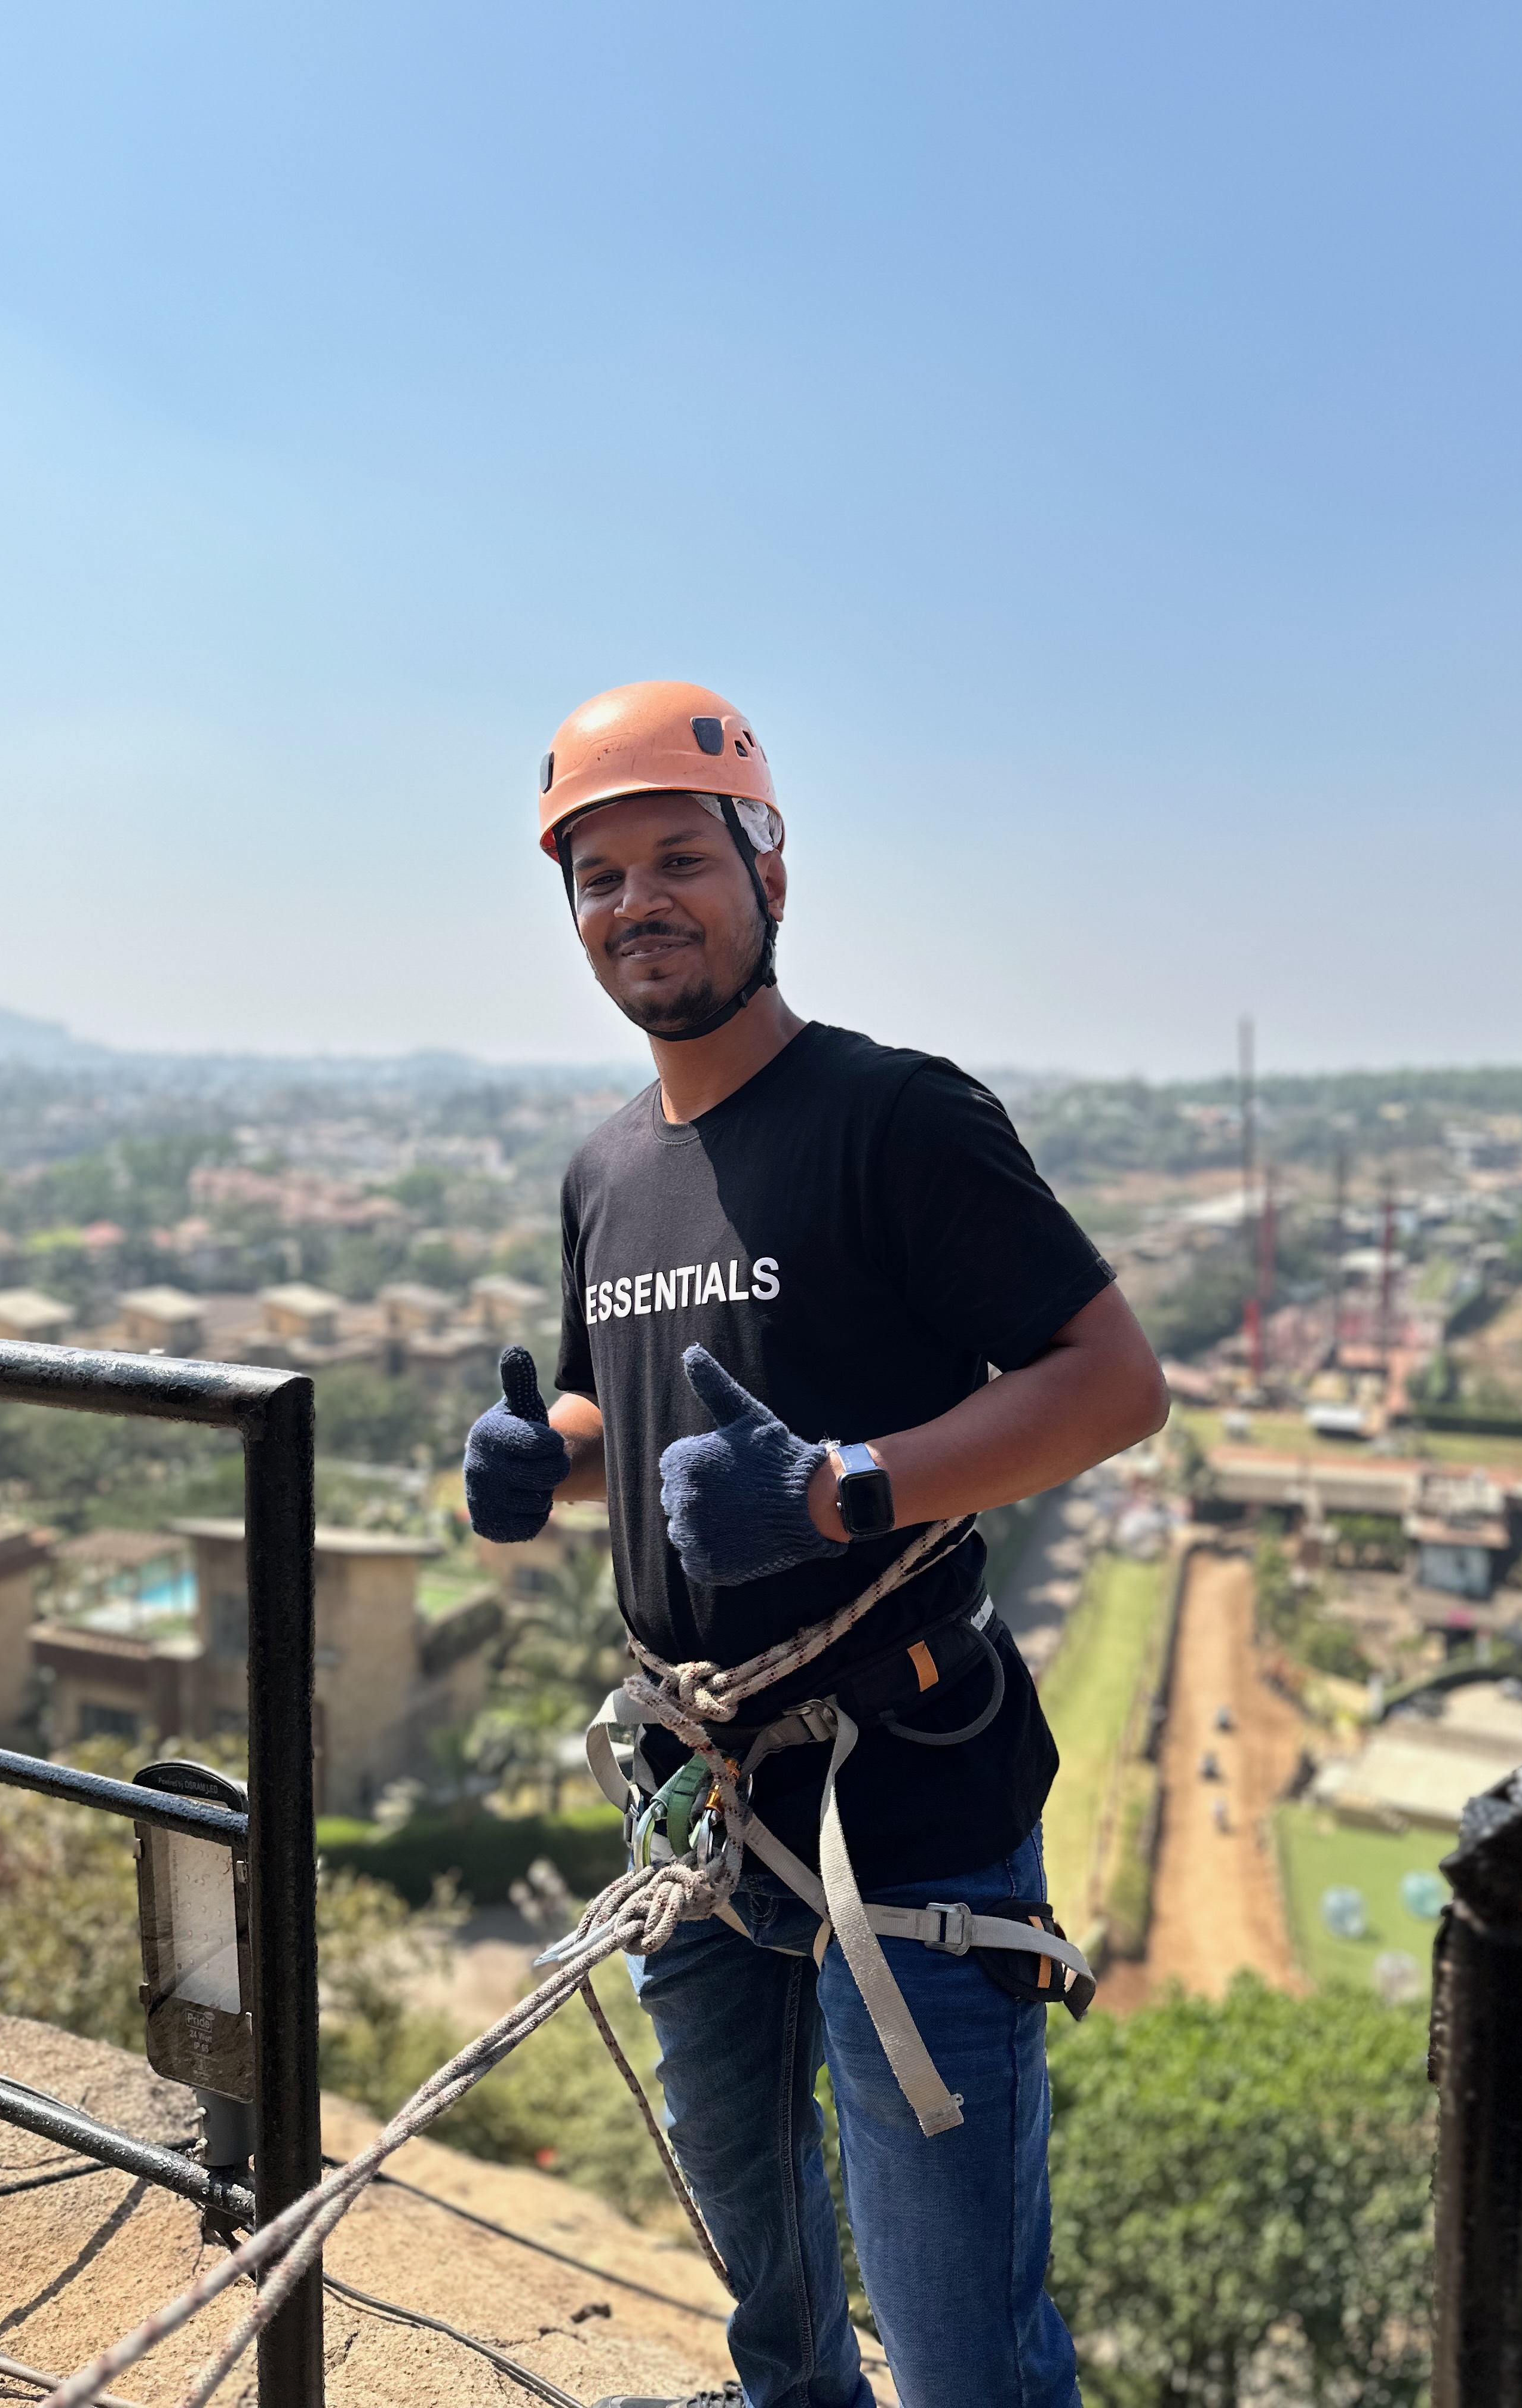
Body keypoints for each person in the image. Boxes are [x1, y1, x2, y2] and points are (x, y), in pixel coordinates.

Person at [463, 681, 1168, 2408]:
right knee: (773, 2317)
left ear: (769, 874)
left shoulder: (894, 1117)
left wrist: (844, 1488)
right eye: (599, 876)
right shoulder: (607, 1172)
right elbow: (633, 1414)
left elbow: (1110, 1382)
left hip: (902, 1792)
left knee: (955, 2345)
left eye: (680, 859)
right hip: (699, 1798)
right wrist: (550, 1458)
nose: (638, 902)